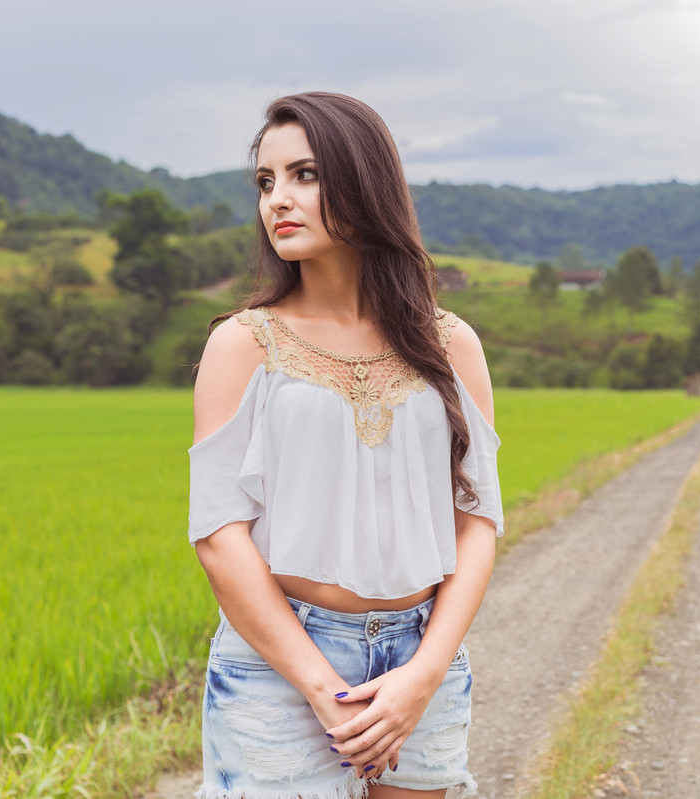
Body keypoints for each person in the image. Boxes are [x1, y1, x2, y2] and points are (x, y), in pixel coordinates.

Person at [187, 91, 503, 799]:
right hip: (279, 663)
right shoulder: (242, 344)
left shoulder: (450, 344)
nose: (278, 200)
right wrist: (321, 684)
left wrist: (424, 673)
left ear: (364, 181)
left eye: (304, 174)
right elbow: (218, 533)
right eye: (266, 182)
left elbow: (477, 518)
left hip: (421, 656)